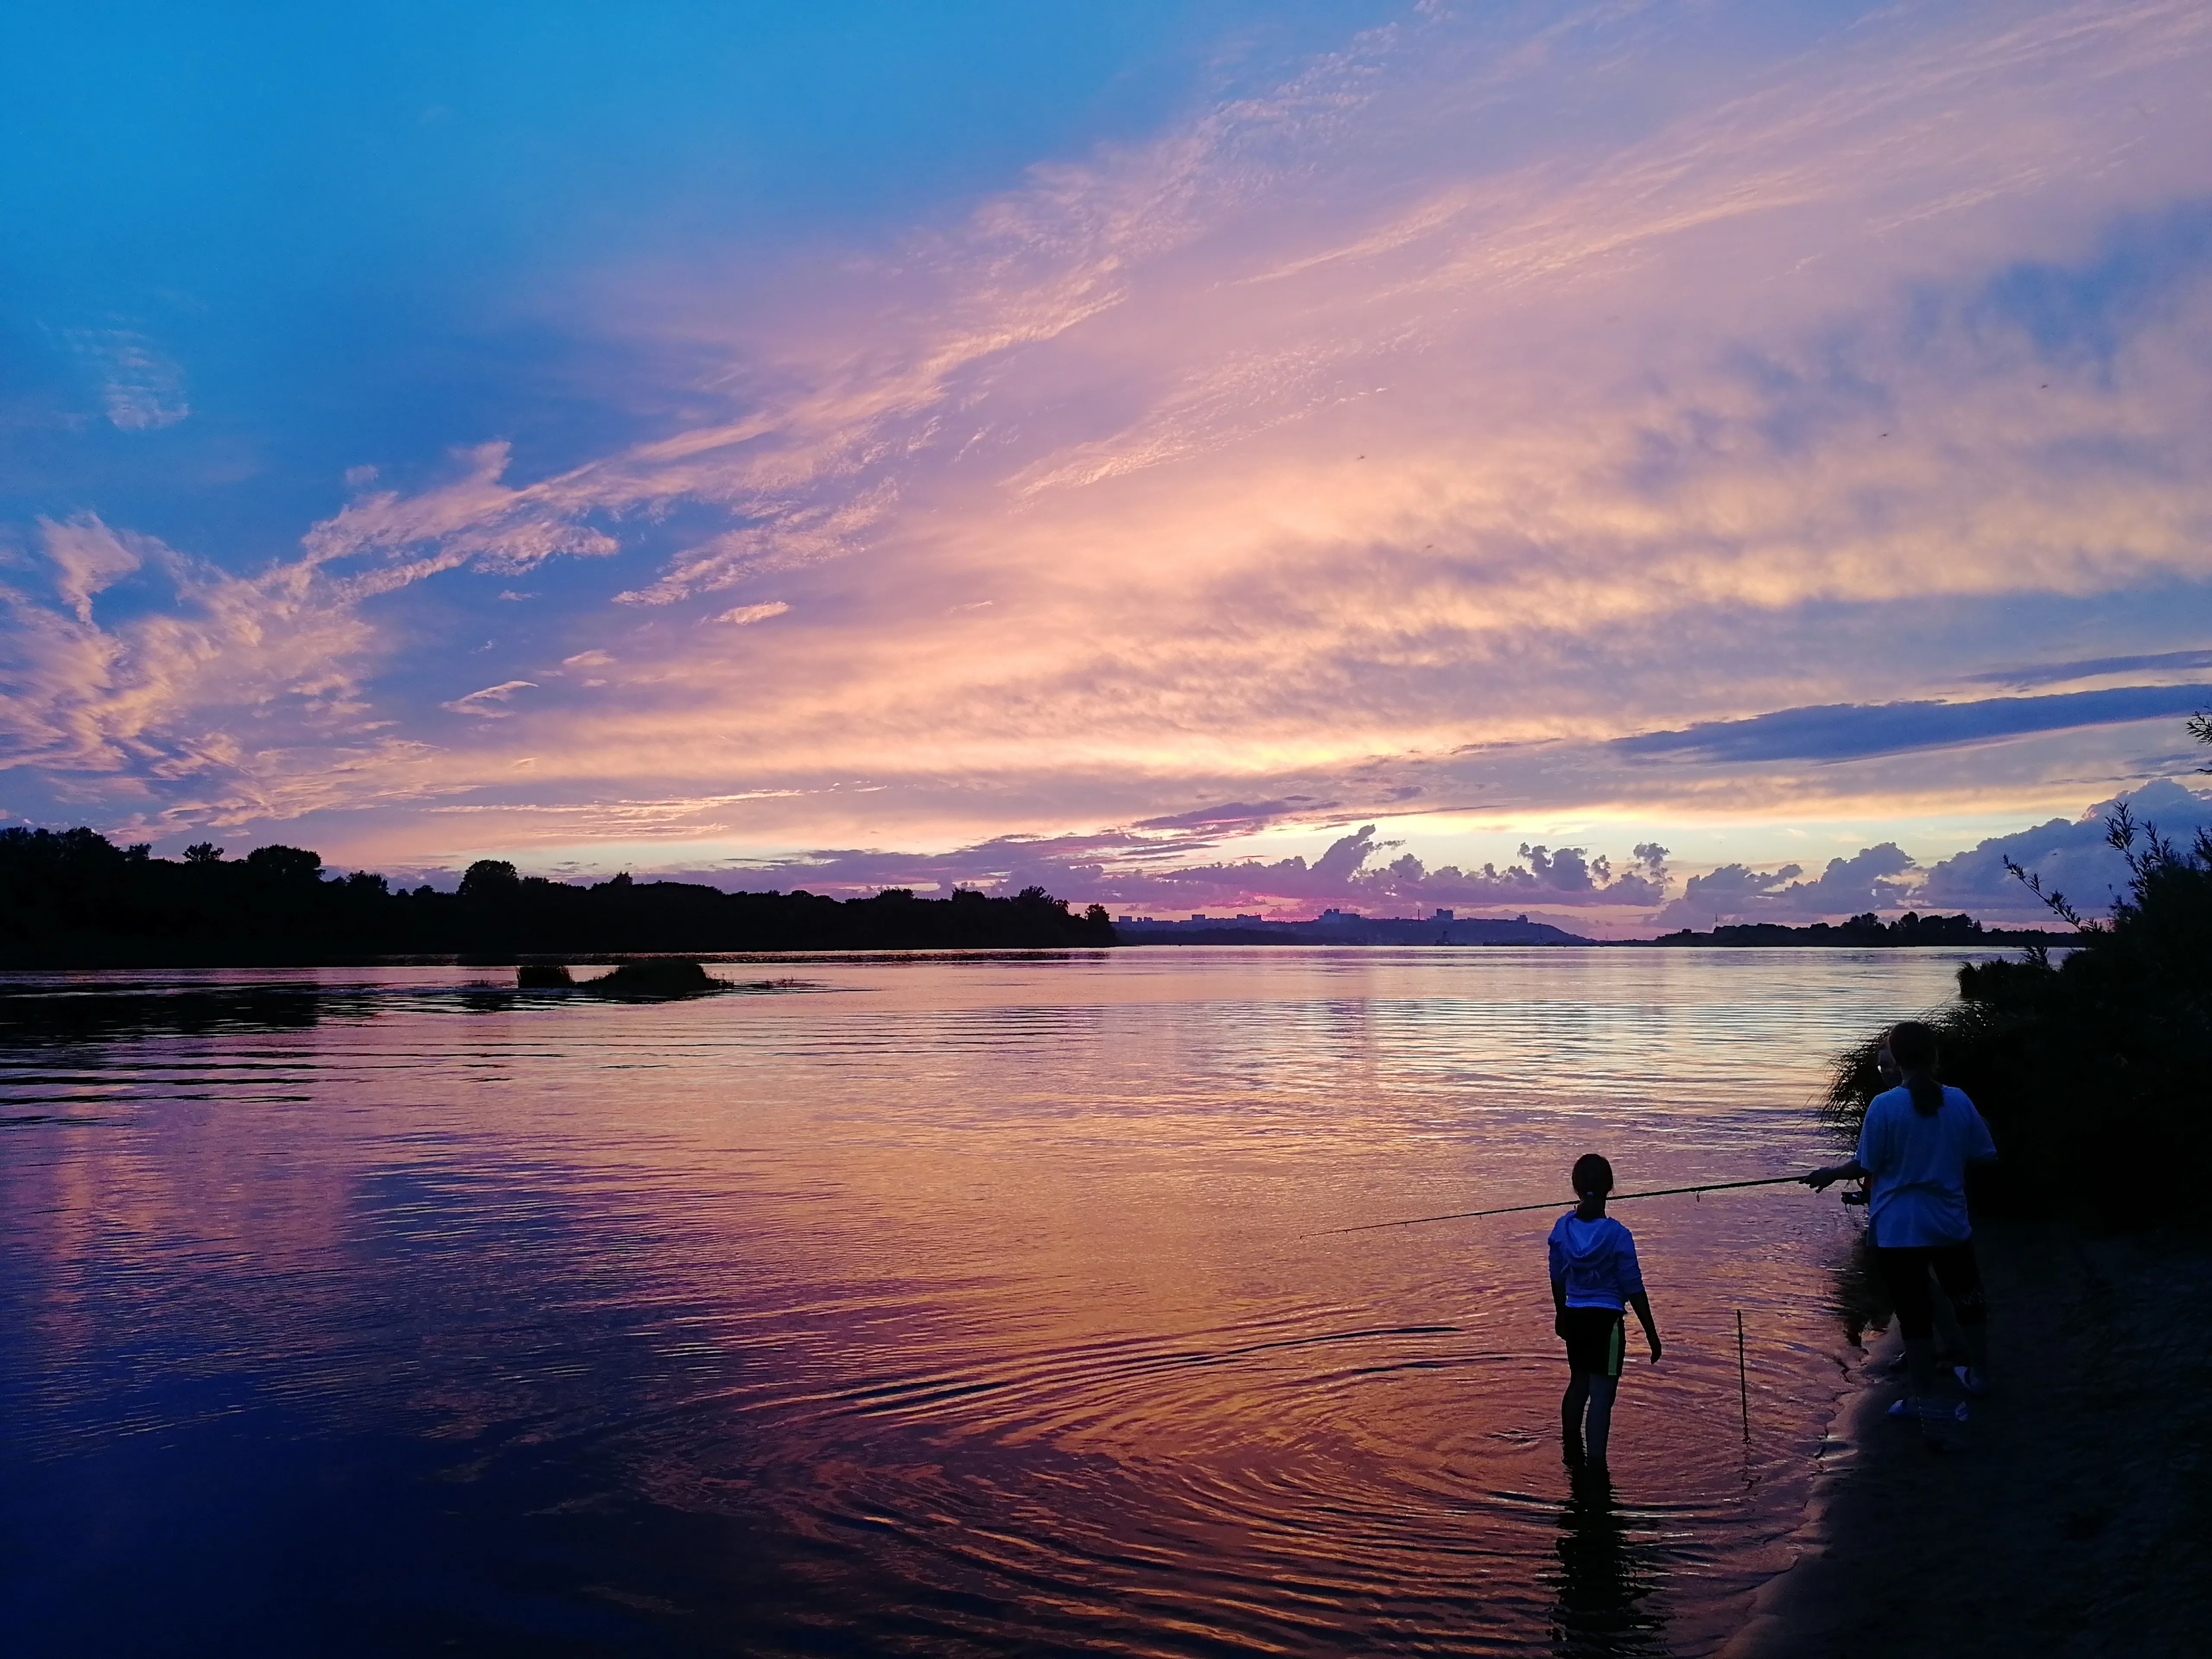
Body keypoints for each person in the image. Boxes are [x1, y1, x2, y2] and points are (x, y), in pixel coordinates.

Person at [1802, 1020, 1997, 1445]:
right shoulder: (1959, 1101)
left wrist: (1827, 1174)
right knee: (1968, 1299)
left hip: (1898, 1228)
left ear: (1896, 1059)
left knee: (1913, 1316)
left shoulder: (1884, 1106)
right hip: (1948, 1221)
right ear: (1934, 1057)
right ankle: (1980, 1376)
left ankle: (1923, 1399)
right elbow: (1985, 1155)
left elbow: (1865, 1165)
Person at [1548, 1154, 1662, 1475]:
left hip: (1575, 1315)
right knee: (1601, 1397)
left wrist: (1561, 1313)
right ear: (1610, 1188)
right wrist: (1652, 1334)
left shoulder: (1562, 1228)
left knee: (1578, 1384)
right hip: (1607, 1322)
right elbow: (1634, 1287)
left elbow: (1556, 1274)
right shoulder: (1618, 1235)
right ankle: (1597, 1469)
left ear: (1576, 1187)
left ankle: (1571, 1451)